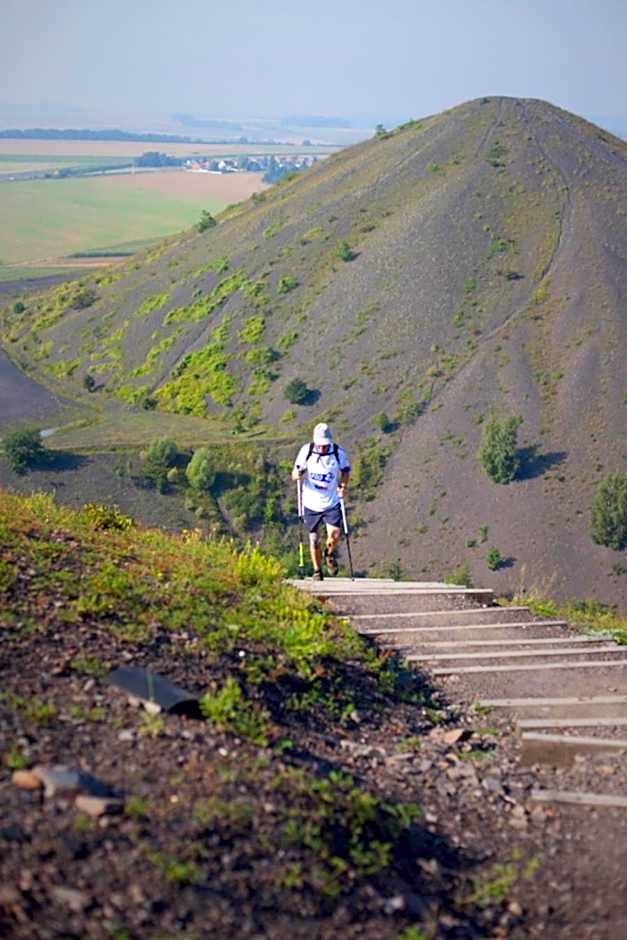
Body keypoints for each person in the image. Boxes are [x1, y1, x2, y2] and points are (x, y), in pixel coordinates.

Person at [292, 423, 351, 580]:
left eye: (325, 445)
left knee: (335, 534)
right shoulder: (307, 451)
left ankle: (329, 554)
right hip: (311, 503)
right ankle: (317, 570)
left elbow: (345, 471)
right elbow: (295, 472)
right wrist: (297, 474)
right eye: (320, 445)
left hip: (331, 502)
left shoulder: (337, 452)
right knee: (314, 539)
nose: (323, 448)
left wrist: (343, 486)